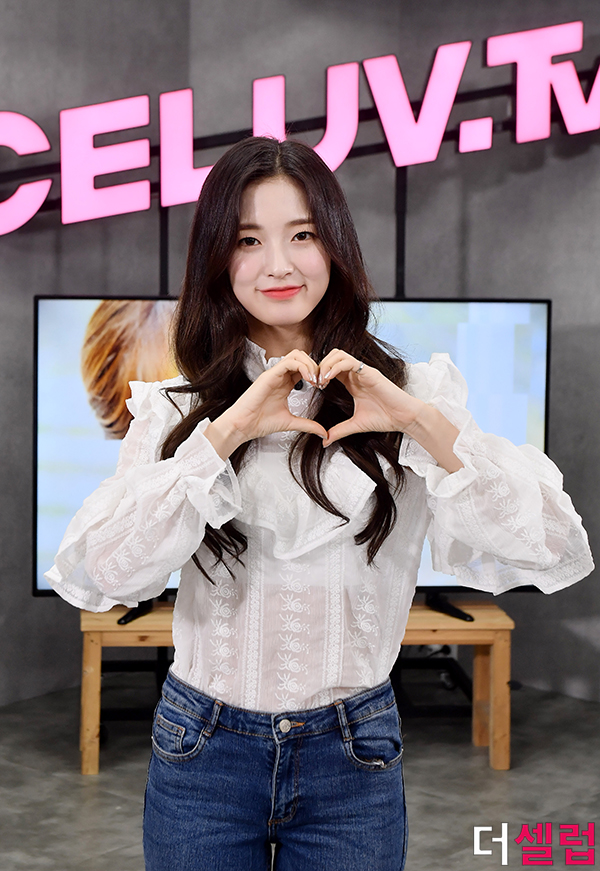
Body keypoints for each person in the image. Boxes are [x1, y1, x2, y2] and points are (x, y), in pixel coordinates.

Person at [46, 137, 594, 871]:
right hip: (201, 749)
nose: (278, 264)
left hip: (354, 754)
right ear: (218, 259)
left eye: (302, 234)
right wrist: (227, 430)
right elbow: (103, 572)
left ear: (334, 245)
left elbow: (553, 545)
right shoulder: (176, 408)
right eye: (248, 240)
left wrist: (420, 423)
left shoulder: (410, 393)